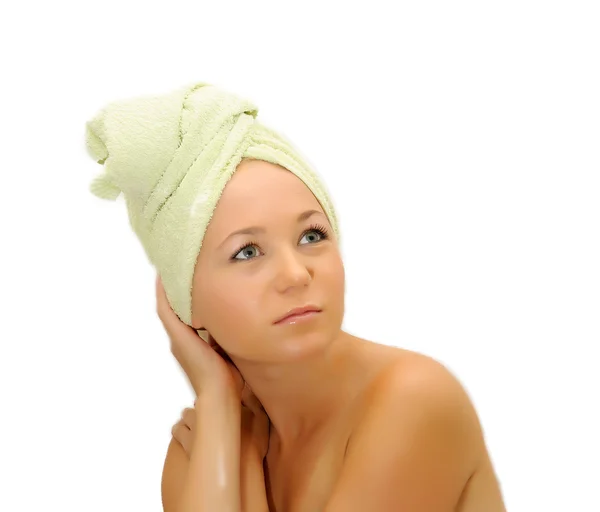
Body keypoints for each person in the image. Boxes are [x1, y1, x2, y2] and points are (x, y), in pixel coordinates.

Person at [159, 157, 507, 511]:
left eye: (311, 236)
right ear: (183, 302)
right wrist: (220, 405)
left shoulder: (415, 398)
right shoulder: (203, 444)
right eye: (247, 252)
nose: (296, 275)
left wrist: (237, 465)